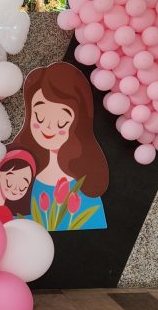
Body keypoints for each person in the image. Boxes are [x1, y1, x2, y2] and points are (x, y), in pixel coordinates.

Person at [11, 61, 108, 230]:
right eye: (40, 117)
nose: (48, 128)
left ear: (78, 122)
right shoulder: (18, 174)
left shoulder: (85, 186)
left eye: (62, 121)